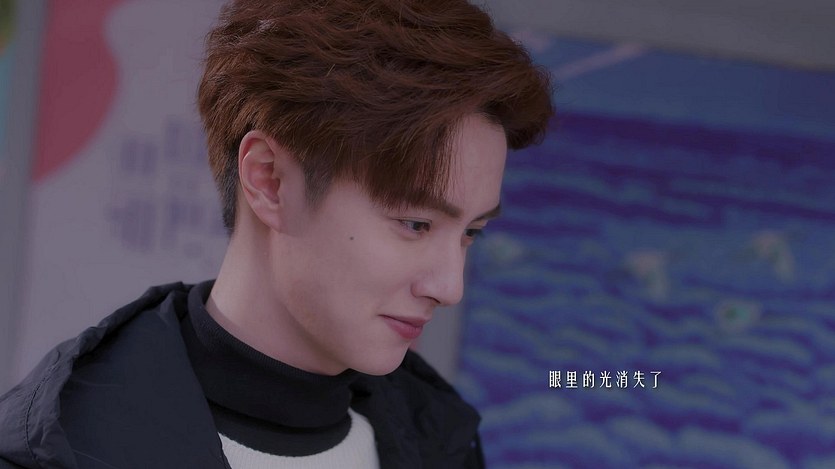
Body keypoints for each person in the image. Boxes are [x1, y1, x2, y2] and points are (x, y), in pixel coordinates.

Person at [0, 0, 553, 467]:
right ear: (268, 180)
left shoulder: (442, 441)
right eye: (416, 224)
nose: (450, 287)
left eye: (471, 232)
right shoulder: (65, 448)